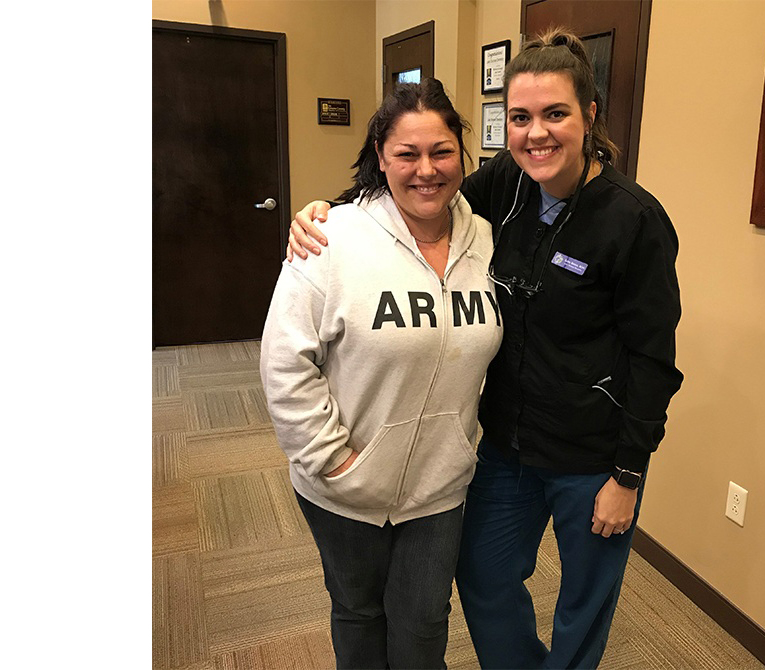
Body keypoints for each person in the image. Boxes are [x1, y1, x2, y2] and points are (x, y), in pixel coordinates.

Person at [289, 29, 682, 669]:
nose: (537, 133)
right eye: (520, 117)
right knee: (482, 579)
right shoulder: (506, 185)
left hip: (593, 455)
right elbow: (416, 190)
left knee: (584, 601)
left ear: (590, 114)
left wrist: (628, 474)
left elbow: (653, 359)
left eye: (555, 113)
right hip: (506, 446)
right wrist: (326, 213)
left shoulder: (632, 220)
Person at [259, 78, 502, 670]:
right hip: (341, 484)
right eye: (407, 154)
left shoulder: (489, 240)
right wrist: (333, 458)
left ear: (462, 155)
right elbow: (285, 362)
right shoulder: (331, 239)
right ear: (379, 157)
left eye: (441, 152)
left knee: (423, 625)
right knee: (359, 614)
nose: (427, 170)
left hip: (439, 486)